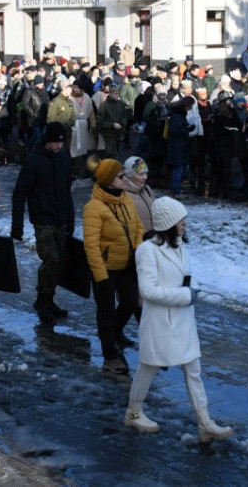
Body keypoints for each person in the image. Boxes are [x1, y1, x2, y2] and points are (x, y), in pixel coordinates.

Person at [123, 196, 234, 443]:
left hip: (183, 321)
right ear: (169, 222)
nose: (185, 223)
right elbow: (148, 291)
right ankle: (133, 412)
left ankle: (205, 423)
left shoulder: (180, 244)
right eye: (181, 219)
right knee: (148, 367)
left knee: (193, 369)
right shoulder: (147, 250)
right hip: (160, 323)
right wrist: (186, 295)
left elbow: (186, 277)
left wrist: (194, 288)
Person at [83, 158, 144, 374]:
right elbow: (91, 245)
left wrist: (137, 251)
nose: (124, 179)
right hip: (106, 268)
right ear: (109, 181)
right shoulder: (94, 208)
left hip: (127, 264)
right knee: (106, 311)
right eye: (120, 177)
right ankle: (110, 355)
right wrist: (100, 275)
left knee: (132, 302)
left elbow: (137, 226)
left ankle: (115, 333)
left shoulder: (125, 199)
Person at [11, 121, 74, 324]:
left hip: (60, 218)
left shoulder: (64, 159)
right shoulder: (34, 161)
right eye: (55, 143)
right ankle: (42, 301)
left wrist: (70, 219)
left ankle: (48, 300)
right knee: (51, 260)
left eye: (61, 143)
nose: (58, 146)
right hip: (42, 219)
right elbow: (19, 193)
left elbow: (67, 191)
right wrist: (17, 225)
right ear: (47, 141)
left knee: (60, 262)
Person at [117, 156, 157, 232]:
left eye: (146, 173)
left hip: (153, 239)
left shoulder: (147, 189)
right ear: (129, 175)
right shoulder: (122, 195)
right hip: (137, 241)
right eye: (140, 174)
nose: (145, 177)